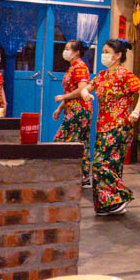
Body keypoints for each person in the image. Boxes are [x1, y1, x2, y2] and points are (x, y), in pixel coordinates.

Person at [88, 38, 140, 216]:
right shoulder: (101, 75)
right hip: (102, 126)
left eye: (107, 52)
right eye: (103, 51)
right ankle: (107, 204)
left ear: (118, 55)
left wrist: (136, 111)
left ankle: (119, 196)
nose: (104, 55)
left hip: (119, 125)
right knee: (111, 165)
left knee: (100, 164)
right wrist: (84, 93)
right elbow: (88, 88)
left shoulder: (125, 75)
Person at [53, 41, 92, 183]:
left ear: (77, 52)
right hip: (73, 108)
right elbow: (70, 91)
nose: (65, 51)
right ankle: (83, 175)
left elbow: (82, 90)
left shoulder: (80, 67)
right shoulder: (72, 67)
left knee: (62, 140)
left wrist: (64, 97)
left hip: (79, 110)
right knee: (80, 142)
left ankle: (69, 173)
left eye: (68, 49)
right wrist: (60, 107)